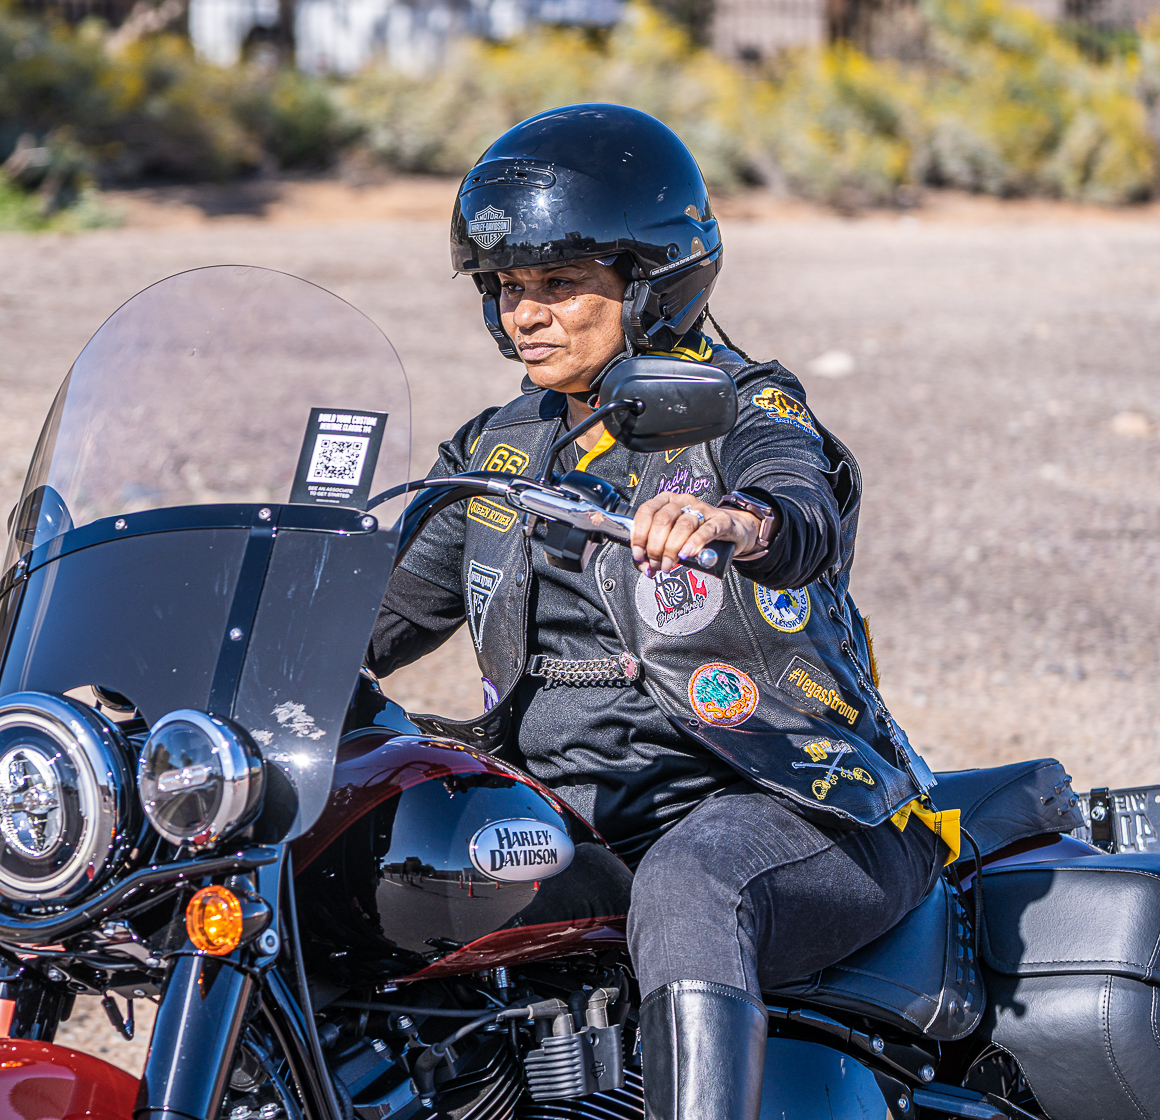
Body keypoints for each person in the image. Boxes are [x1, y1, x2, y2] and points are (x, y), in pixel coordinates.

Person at [366, 104, 952, 1120]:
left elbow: (798, 508)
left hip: (797, 802)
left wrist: (736, 520)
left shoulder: (742, 405)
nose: (526, 314)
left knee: (691, 882)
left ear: (651, 280)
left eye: (559, 283)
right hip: (579, 817)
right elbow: (373, 617)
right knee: (369, 855)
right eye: (507, 287)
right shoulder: (498, 450)